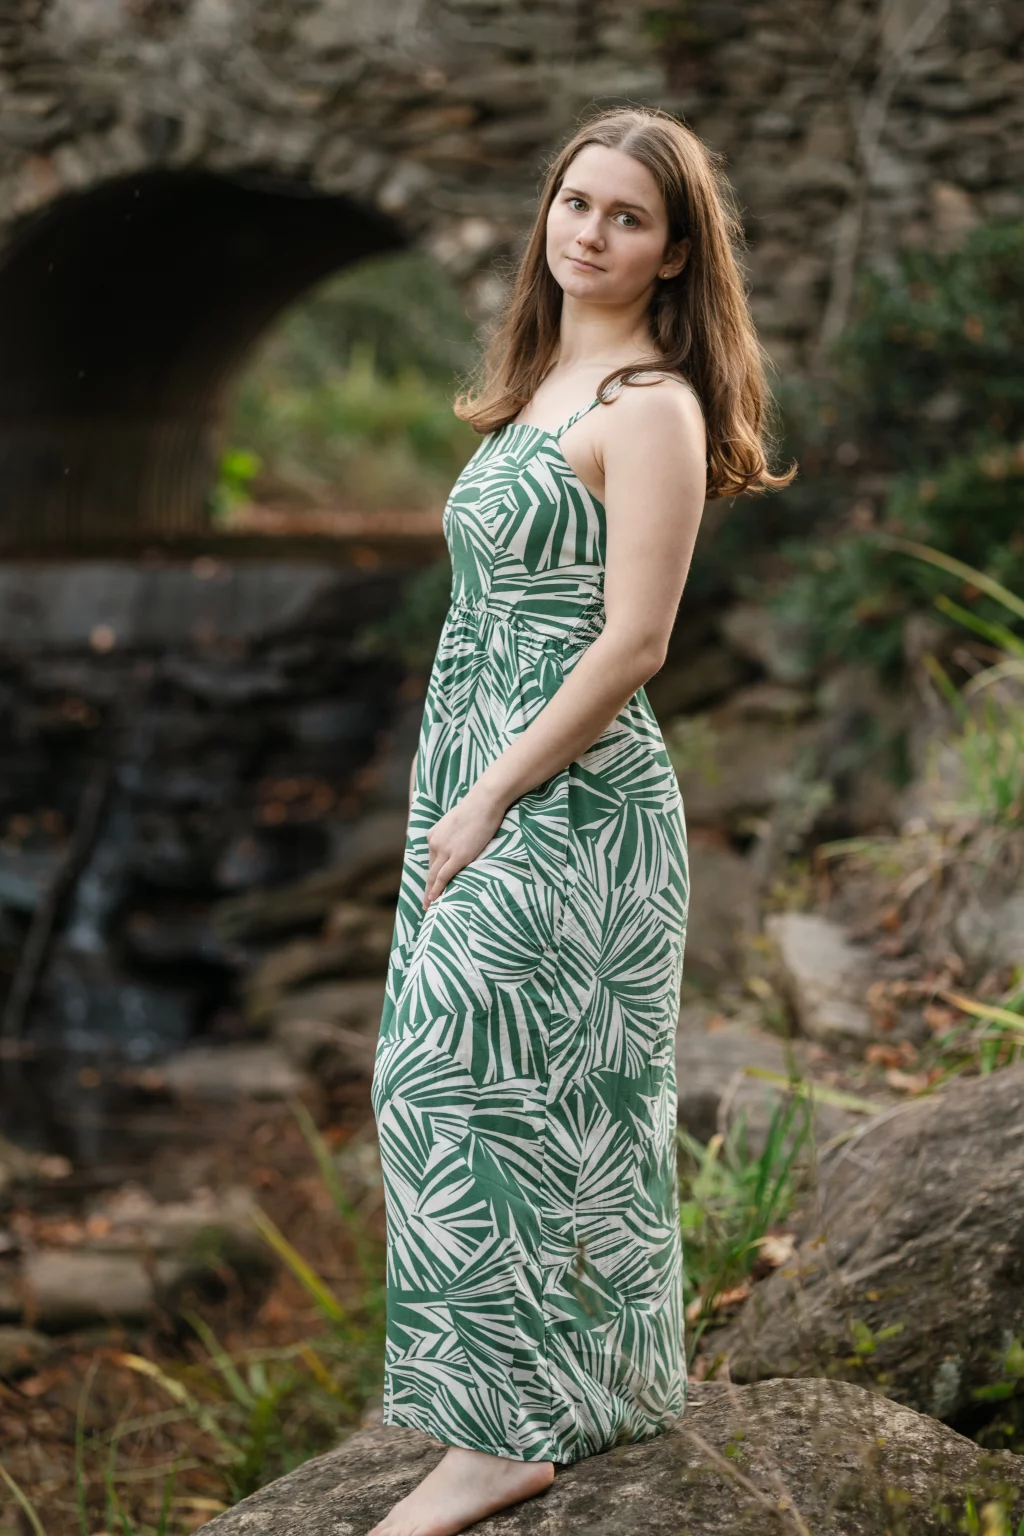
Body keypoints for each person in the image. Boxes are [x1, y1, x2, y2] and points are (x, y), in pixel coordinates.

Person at [367, 104, 794, 1536]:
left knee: (449, 1082)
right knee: (544, 1097)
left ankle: (495, 1444)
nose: (590, 234)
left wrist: (489, 793)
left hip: (574, 795)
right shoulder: (547, 379)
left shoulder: (652, 407)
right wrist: (455, 780)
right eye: (577, 203)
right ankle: (587, 1391)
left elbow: (634, 644)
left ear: (674, 255)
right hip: (485, 768)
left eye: (627, 218)